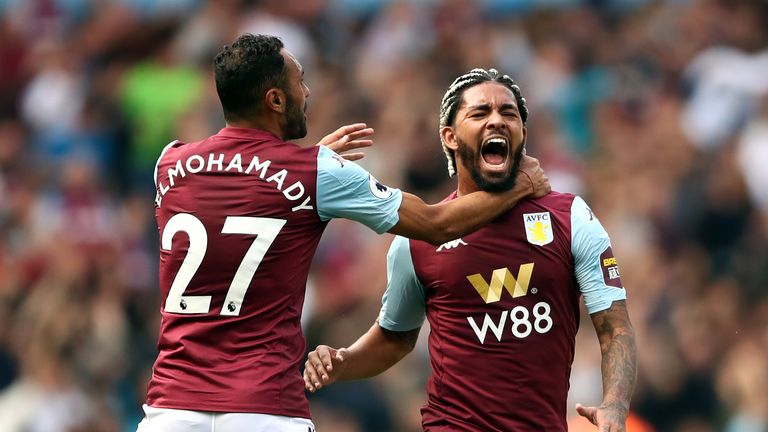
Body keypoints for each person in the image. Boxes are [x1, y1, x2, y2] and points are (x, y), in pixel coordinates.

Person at [137, 35, 549, 432]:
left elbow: (243, 191)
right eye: (300, 82)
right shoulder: (316, 173)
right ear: (275, 100)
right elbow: (438, 225)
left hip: (171, 410)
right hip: (264, 409)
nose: (309, 92)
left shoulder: (169, 164)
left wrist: (309, 163)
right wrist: (521, 185)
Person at [304, 68, 637, 431]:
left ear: (523, 134)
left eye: (508, 113)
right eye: (480, 113)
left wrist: (615, 404)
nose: (496, 120)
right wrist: (345, 360)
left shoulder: (570, 218)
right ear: (449, 137)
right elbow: (395, 337)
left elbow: (614, 327)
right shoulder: (414, 244)